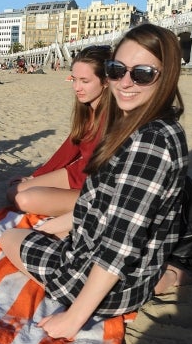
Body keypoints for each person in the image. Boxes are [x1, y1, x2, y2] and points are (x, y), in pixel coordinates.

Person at [0, 23, 188, 339]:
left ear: (166, 75)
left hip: (102, 285)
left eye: (141, 74)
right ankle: (161, 277)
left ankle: (160, 281)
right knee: (39, 231)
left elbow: (119, 243)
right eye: (117, 70)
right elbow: (104, 203)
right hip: (119, 264)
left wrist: (73, 318)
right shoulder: (148, 127)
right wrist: (57, 226)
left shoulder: (149, 142)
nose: (125, 83)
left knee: (8, 240)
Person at [6, 45, 113, 218]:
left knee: (24, 200)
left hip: (96, 186)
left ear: (106, 81)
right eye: (74, 79)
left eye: (85, 81)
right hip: (78, 172)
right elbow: (70, 147)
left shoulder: (112, 117)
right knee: (14, 192)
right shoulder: (87, 110)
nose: (77, 87)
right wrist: (35, 177)